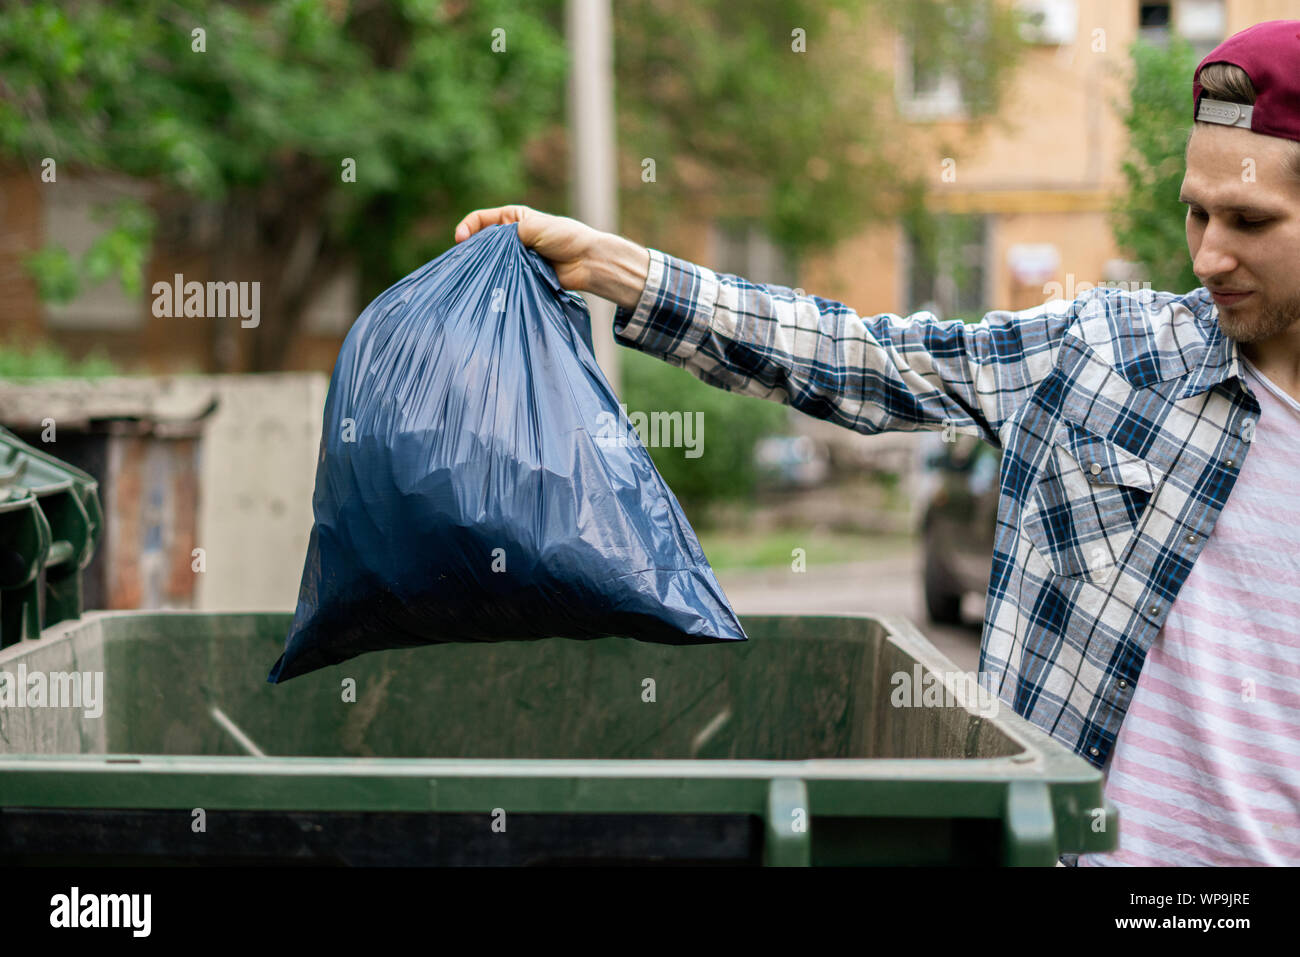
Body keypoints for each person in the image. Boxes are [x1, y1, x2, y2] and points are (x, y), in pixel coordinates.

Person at [454, 20, 1300, 866]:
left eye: (1249, 221)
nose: (1210, 255)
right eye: (1196, 213)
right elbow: (861, 355)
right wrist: (619, 270)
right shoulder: (1108, 357)